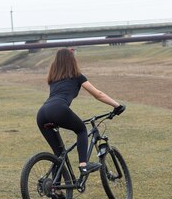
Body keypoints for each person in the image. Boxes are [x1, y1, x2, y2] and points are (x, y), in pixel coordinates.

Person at [36, 47, 125, 176]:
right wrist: (117, 106)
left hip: (42, 113)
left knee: (59, 154)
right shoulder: (77, 76)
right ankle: (83, 165)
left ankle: (56, 190)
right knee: (82, 130)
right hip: (59, 109)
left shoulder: (53, 79)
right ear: (72, 61)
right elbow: (98, 94)